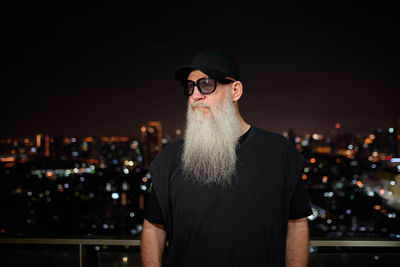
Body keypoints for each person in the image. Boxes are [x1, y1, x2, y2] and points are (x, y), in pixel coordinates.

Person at [141, 49, 312, 267]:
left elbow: (297, 225)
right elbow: (153, 227)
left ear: (235, 90)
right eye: (190, 87)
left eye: (206, 84)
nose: (195, 95)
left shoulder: (279, 151)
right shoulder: (169, 158)